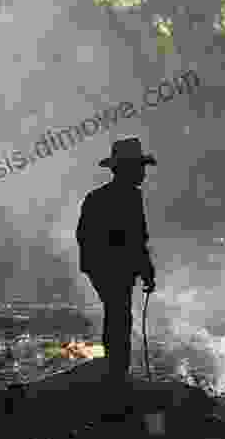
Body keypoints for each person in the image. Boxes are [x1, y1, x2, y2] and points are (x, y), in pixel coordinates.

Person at [76, 136, 157, 380]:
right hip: (114, 268)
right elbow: (135, 239)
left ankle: (115, 368)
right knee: (119, 316)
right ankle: (117, 372)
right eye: (139, 167)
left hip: (99, 267)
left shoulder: (98, 197)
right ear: (127, 169)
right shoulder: (130, 198)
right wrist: (146, 271)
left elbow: (84, 236)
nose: (143, 173)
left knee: (116, 314)